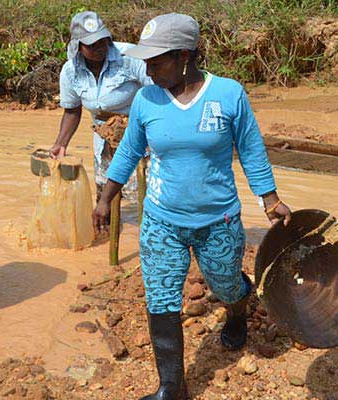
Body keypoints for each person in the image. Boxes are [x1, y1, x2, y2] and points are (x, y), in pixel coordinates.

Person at [95, 14, 293, 400]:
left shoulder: (229, 94)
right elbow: (129, 151)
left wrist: (270, 199)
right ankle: (172, 387)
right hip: (161, 220)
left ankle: (238, 311)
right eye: (146, 62)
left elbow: (251, 149)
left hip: (218, 220)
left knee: (225, 284)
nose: (148, 71)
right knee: (161, 297)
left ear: (184, 55)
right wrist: (106, 198)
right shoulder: (146, 99)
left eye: (156, 62)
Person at [50, 11, 153, 201]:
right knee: (106, 195)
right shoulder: (70, 71)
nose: (99, 48)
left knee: (141, 194)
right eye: (91, 45)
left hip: (140, 134)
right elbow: (72, 111)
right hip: (104, 138)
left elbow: (159, 92)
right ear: (78, 46)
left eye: (102, 41)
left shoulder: (129, 57)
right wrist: (61, 144)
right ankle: (106, 229)